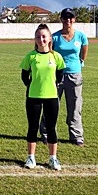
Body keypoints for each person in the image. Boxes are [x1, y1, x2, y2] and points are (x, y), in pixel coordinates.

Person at [20, 24, 66, 171]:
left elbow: (60, 75)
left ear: (50, 38)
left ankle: (53, 158)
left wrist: (51, 86)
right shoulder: (31, 56)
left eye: (44, 36)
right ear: (35, 39)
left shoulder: (56, 56)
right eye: (38, 37)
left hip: (52, 97)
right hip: (33, 97)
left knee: (51, 128)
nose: (41, 39)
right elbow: (24, 75)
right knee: (32, 128)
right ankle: (31, 157)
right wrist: (32, 86)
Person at [46, 7, 89, 146]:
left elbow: (84, 51)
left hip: (74, 76)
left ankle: (76, 135)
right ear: (61, 19)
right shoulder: (55, 37)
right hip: (57, 75)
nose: (68, 20)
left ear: (74, 19)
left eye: (71, 17)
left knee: (75, 106)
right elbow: (50, 53)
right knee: (51, 105)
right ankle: (46, 133)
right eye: (65, 17)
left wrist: (81, 63)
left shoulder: (80, 36)